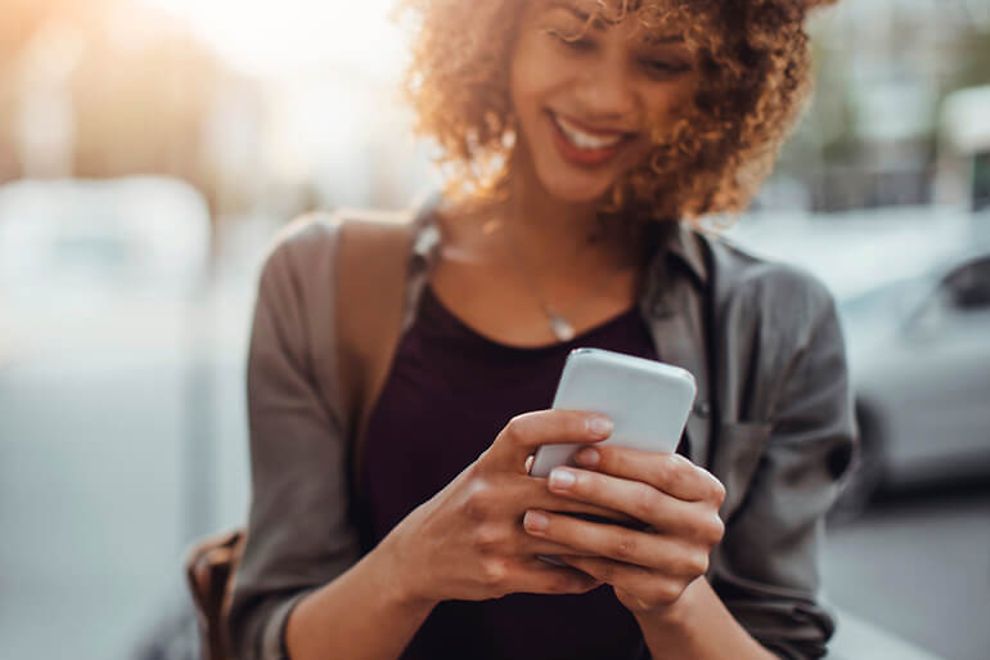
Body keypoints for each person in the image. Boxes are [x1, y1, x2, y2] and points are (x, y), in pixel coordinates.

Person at [227, 0, 855, 659]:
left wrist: (674, 600)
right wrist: (409, 568)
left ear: (722, 83)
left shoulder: (785, 323)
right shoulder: (318, 280)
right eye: (572, 37)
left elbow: (783, 643)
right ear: (496, 34)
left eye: (662, 62)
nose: (605, 97)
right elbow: (264, 641)